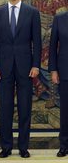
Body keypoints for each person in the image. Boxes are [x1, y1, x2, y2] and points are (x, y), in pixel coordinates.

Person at [0, 0, 42, 158]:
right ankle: (6, 147)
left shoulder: (32, 12)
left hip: (26, 67)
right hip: (3, 69)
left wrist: (36, 65)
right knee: (5, 108)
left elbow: (37, 41)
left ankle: (23, 147)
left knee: (25, 107)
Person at [48, 11, 68, 157]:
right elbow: (52, 46)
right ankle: (64, 145)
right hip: (64, 71)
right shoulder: (60, 19)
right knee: (65, 111)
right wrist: (53, 70)